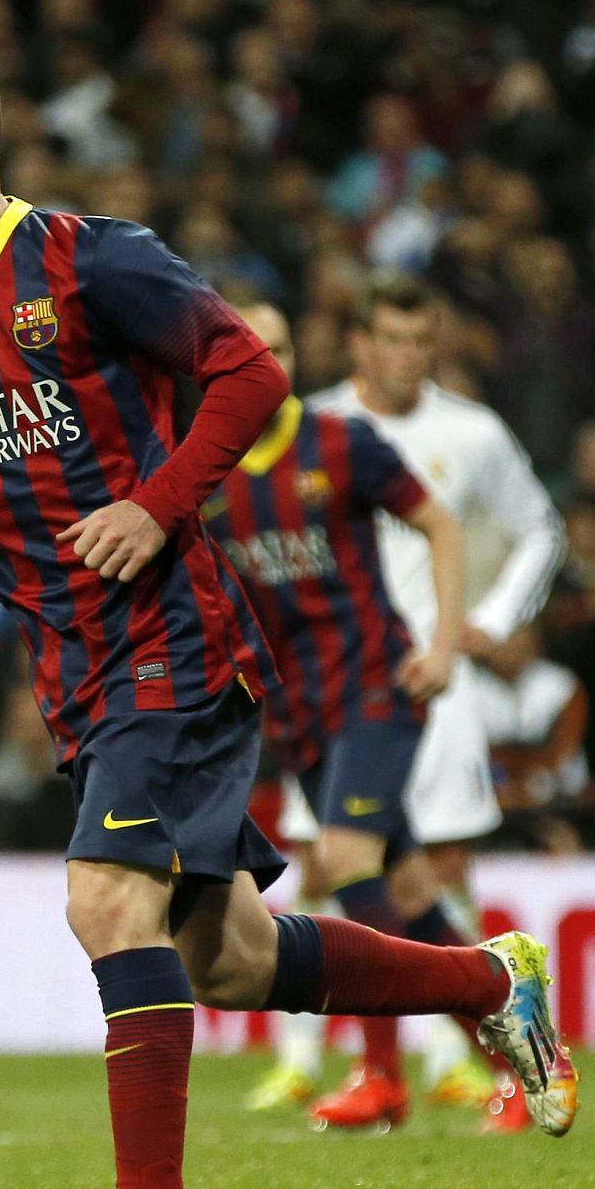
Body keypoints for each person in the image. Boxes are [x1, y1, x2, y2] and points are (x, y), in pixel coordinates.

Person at [0, 45, 577, 1189]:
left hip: (173, 638)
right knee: (227, 957)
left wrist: (157, 503)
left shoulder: (89, 258)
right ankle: (490, 982)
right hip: (75, 675)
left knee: (105, 898)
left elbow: (249, 371)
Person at [205, 301, 516, 1130]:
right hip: (300, 711)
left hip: (377, 690)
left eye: (276, 347)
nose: (261, 365)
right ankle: (517, 1046)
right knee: (404, 890)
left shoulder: (342, 445)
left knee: (344, 858)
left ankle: (383, 1077)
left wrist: (446, 645)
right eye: (244, 350)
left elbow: (439, 525)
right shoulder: (202, 471)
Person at [312, 271, 568, 1130]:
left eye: (423, 342)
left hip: (435, 682)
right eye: (391, 339)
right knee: (374, 873)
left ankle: (422, 1070)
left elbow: (542, 527)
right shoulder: (316, 428)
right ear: (358, 343)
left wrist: (484, 623)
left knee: (418, 871)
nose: (409, 358)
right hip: (339, 688)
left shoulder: (472, 432)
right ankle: (497, 1058)